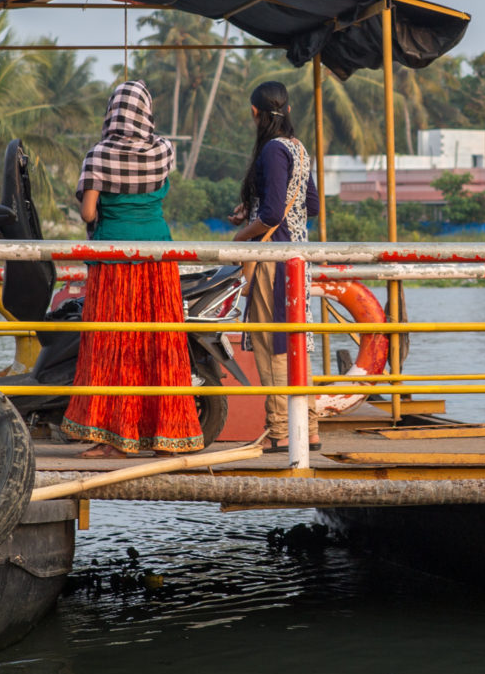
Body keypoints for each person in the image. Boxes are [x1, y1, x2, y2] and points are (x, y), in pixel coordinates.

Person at [61, 81, 205, 458]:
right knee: (160, 343)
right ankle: (167, 436)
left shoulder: (98, 155)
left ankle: (113, 439)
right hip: (157, 257)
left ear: (112, 111)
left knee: (114, 344)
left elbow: (89, 213)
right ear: (146, 112)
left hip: (114, 260)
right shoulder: (163, 151)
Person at [229, 81, 320, 454]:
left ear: (256, 112)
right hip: (297, 257)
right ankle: (309, 427)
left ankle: (281, 430)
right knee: (294, 341)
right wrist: (251, 212)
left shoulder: (271, 150)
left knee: (272, 344)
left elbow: (269, 215)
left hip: (273, 261)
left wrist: (240, 237)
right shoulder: (298, 148)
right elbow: (310, 206)